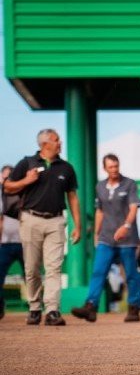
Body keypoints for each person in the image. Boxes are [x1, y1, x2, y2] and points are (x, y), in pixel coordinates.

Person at [3, 129, 81, 326]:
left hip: (56, 221)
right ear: (45, 144)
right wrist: (26, 180)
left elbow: (72, 197)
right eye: (56, 140)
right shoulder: (27, 163)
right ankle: (35, 307)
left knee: (54, 268)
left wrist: (77, 225)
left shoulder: (66, 168)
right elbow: (7, 187)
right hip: (31, 219)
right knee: (32, 268)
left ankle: (53, 310)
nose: (60, 142)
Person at [71, 154, 140, 323]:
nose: (114, 170)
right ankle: (90, 306)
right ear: (105, 168)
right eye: (111, 167)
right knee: (98, 271)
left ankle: (133, 307)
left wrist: (126, 226)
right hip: (106, 237)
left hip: (127, 238)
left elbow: (133, 208)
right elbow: (100, 211)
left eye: (116, 166)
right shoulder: (100, 187)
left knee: (131, 274)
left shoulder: (129, 184)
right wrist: (96, 234)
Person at [0, 164, 24, 320]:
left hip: (24, 242)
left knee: (31, 275)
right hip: (4, 244)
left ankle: (37, 307)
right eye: (5, 177)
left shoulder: (24, 194)